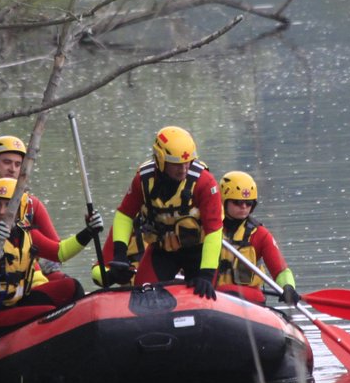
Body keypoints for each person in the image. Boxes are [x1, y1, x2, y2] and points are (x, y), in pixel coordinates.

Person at [0, 177, 100, 335]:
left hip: (14, 302)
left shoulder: (24, 232)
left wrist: (89, 232)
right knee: (48, 313)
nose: (1, 211)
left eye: (8, 205)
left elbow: (60, 252)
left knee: (71, 287)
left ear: (20, 207)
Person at [102, 125, 223, 298]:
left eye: (187, 162)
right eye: (176, 164)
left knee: (203, 295)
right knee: (143, 294)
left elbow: (214, 231)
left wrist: (206, 275)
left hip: (198, 251)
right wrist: (120, 254)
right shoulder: (143, 181)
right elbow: (125, 215)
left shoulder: (205, 183)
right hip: (162, 251)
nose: (184, 169)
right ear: (160, 160)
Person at [213, 171, 299, 306]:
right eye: (237, 202)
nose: (244, 207)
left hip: (249, 299)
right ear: (224, 201)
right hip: (212, 296)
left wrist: (288, 287)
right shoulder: (210, 230)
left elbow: (281, 270)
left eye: (249, 203)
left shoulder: (259, 235)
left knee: (227, 291)